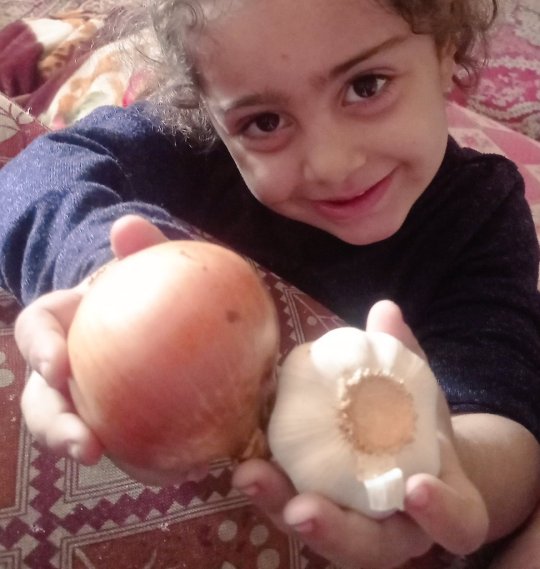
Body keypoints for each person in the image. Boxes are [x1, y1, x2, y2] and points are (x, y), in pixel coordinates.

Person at [2, 0, 540, 567]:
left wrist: (445, 463)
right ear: (207, 112)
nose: (330, 163)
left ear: (446, 51)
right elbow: (32, 177)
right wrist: (105, 276)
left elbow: (511, 432)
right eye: (264, 123)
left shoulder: (479, 214)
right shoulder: (193, 147)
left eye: (366, 86)